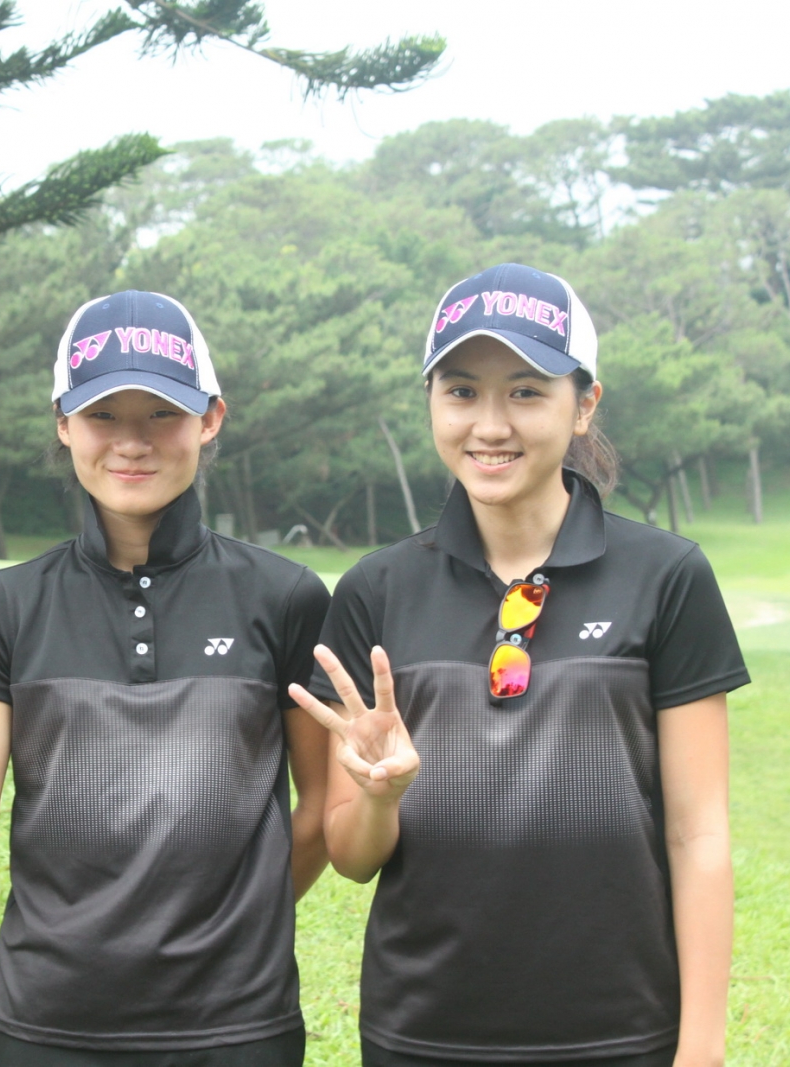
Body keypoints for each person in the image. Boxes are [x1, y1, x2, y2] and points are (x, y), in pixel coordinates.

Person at [0, 290, 333, 1065]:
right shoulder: (7, 606)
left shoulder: (286, 596)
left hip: (238, 1028)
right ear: (64, 422)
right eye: (103, 416)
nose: (131, 443)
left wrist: (241, 913)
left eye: (161, 414)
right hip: (49, 1025)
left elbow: (322, 806)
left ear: (210, 418)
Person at [289, 264, 747, 1067]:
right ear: (432, 399)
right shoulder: (376, 588)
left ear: (585, 405)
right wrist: (378, 794)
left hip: (621, 1031)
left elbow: (699, 832)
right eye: (461, 391)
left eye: (527, 392)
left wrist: (700, 1047)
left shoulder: (666, 576)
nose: (490, 424)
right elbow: (354, 858)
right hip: (422, 1033)